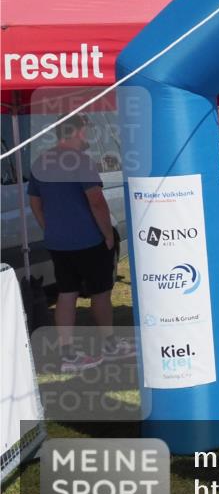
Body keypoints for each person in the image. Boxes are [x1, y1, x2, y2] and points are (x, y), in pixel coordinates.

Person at [27, 115, 134, 373]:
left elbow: (34, 202)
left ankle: (68, 354)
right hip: (87, 240)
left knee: (66, 293)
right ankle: (109, 345)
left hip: (58, 242)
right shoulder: (81, 161)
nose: (87, 136)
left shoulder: (42, 161)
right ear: (75, 131)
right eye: (85, 131)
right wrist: (108, 234)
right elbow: (96, 200)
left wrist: (48, 228)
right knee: (100, 293)